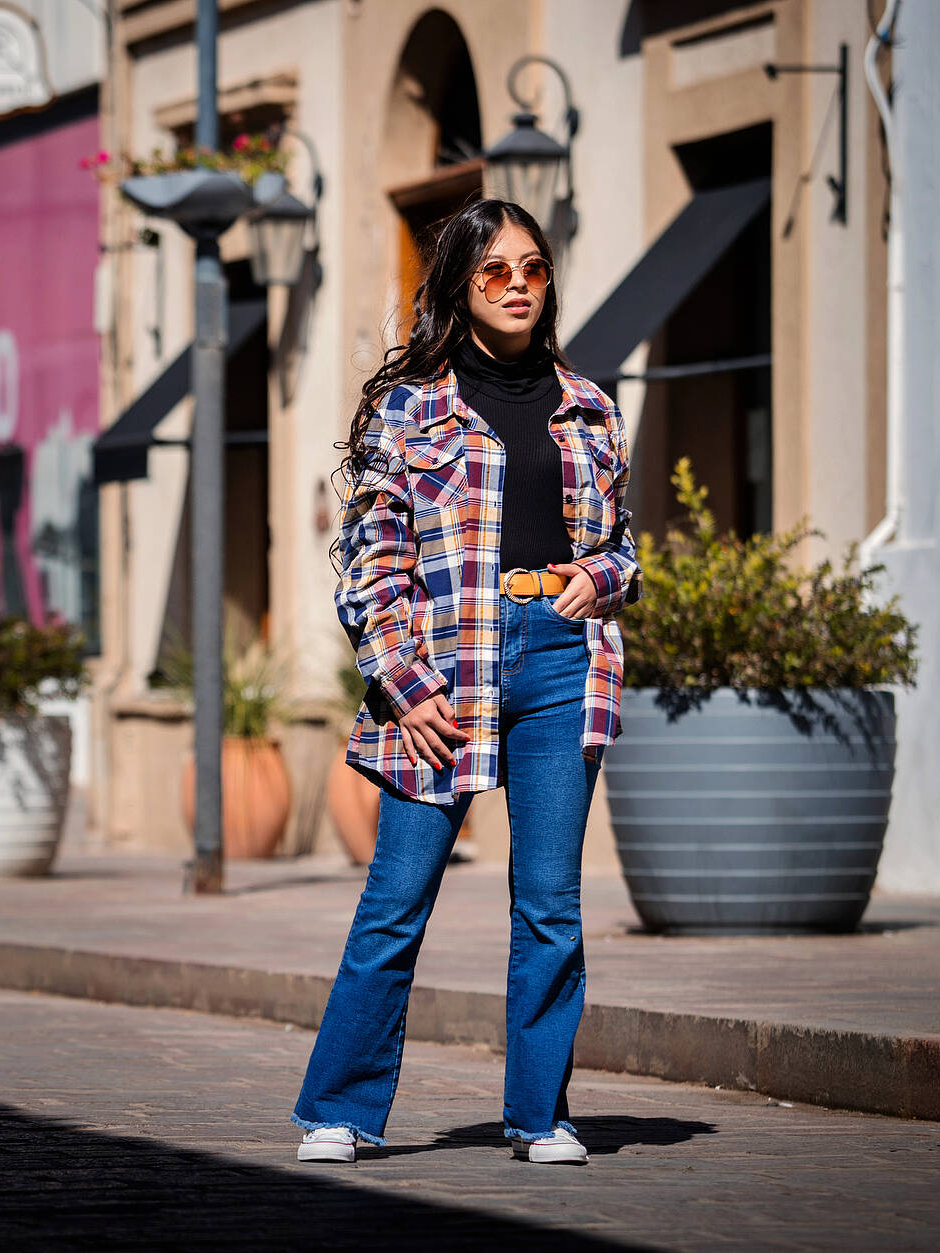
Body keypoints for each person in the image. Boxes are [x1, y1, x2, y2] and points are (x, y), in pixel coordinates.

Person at [292, 199, 641, 1166]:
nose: (519, 284)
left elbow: (622, 548)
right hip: (444, 672)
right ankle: (341, 1109)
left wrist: (598, 577)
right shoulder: (408, 408)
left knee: (550, 905)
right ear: (460, 287)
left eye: (533, 267)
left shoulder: (592, 406)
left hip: (562, 659)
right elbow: (368, 565)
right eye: (495, 271)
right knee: (398, 896)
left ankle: (541, 1114)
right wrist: (407, 685)